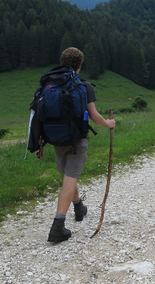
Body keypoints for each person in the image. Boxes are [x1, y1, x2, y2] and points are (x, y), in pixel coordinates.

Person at [47, 47, 116, 243]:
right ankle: (57, 226)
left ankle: (78, 207)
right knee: (70, 178)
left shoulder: (50, 83)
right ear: (80, 65)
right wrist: (108, 123)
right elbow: (94, 116)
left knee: (70, 174)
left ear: (62, 62)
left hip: (56, 137)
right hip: (77, 139)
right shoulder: (83, 86)